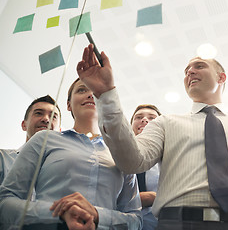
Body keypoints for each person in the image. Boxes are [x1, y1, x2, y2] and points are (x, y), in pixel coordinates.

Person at [75, 44, 228, 230]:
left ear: (221, 77)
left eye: (199, 66)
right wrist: (106, 94)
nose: (190, 72)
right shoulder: (165, 123)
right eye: (186, 70)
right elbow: (133, 162)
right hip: (177, 223)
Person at [0, 78, 142, 230]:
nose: (90, 95)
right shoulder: (44, 139)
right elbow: (5, 202)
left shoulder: (121, 152)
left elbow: (136, 220)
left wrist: (97, 215)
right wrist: (59, 213)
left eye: (96, 92)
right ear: (68, 105)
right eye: (82, 90)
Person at [0, 95, 61, 184]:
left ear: (59, 131)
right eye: (39, 113)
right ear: (24, 125)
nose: (46, 119)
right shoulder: (2, 159)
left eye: (53, 117)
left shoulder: (63, 173)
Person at [130, 104, 161, 230]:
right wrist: (139, 199)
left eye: (152, 118)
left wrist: (155, 198)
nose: (144, 120)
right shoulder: (115, 156)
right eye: (138, 117)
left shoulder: (169, 159)